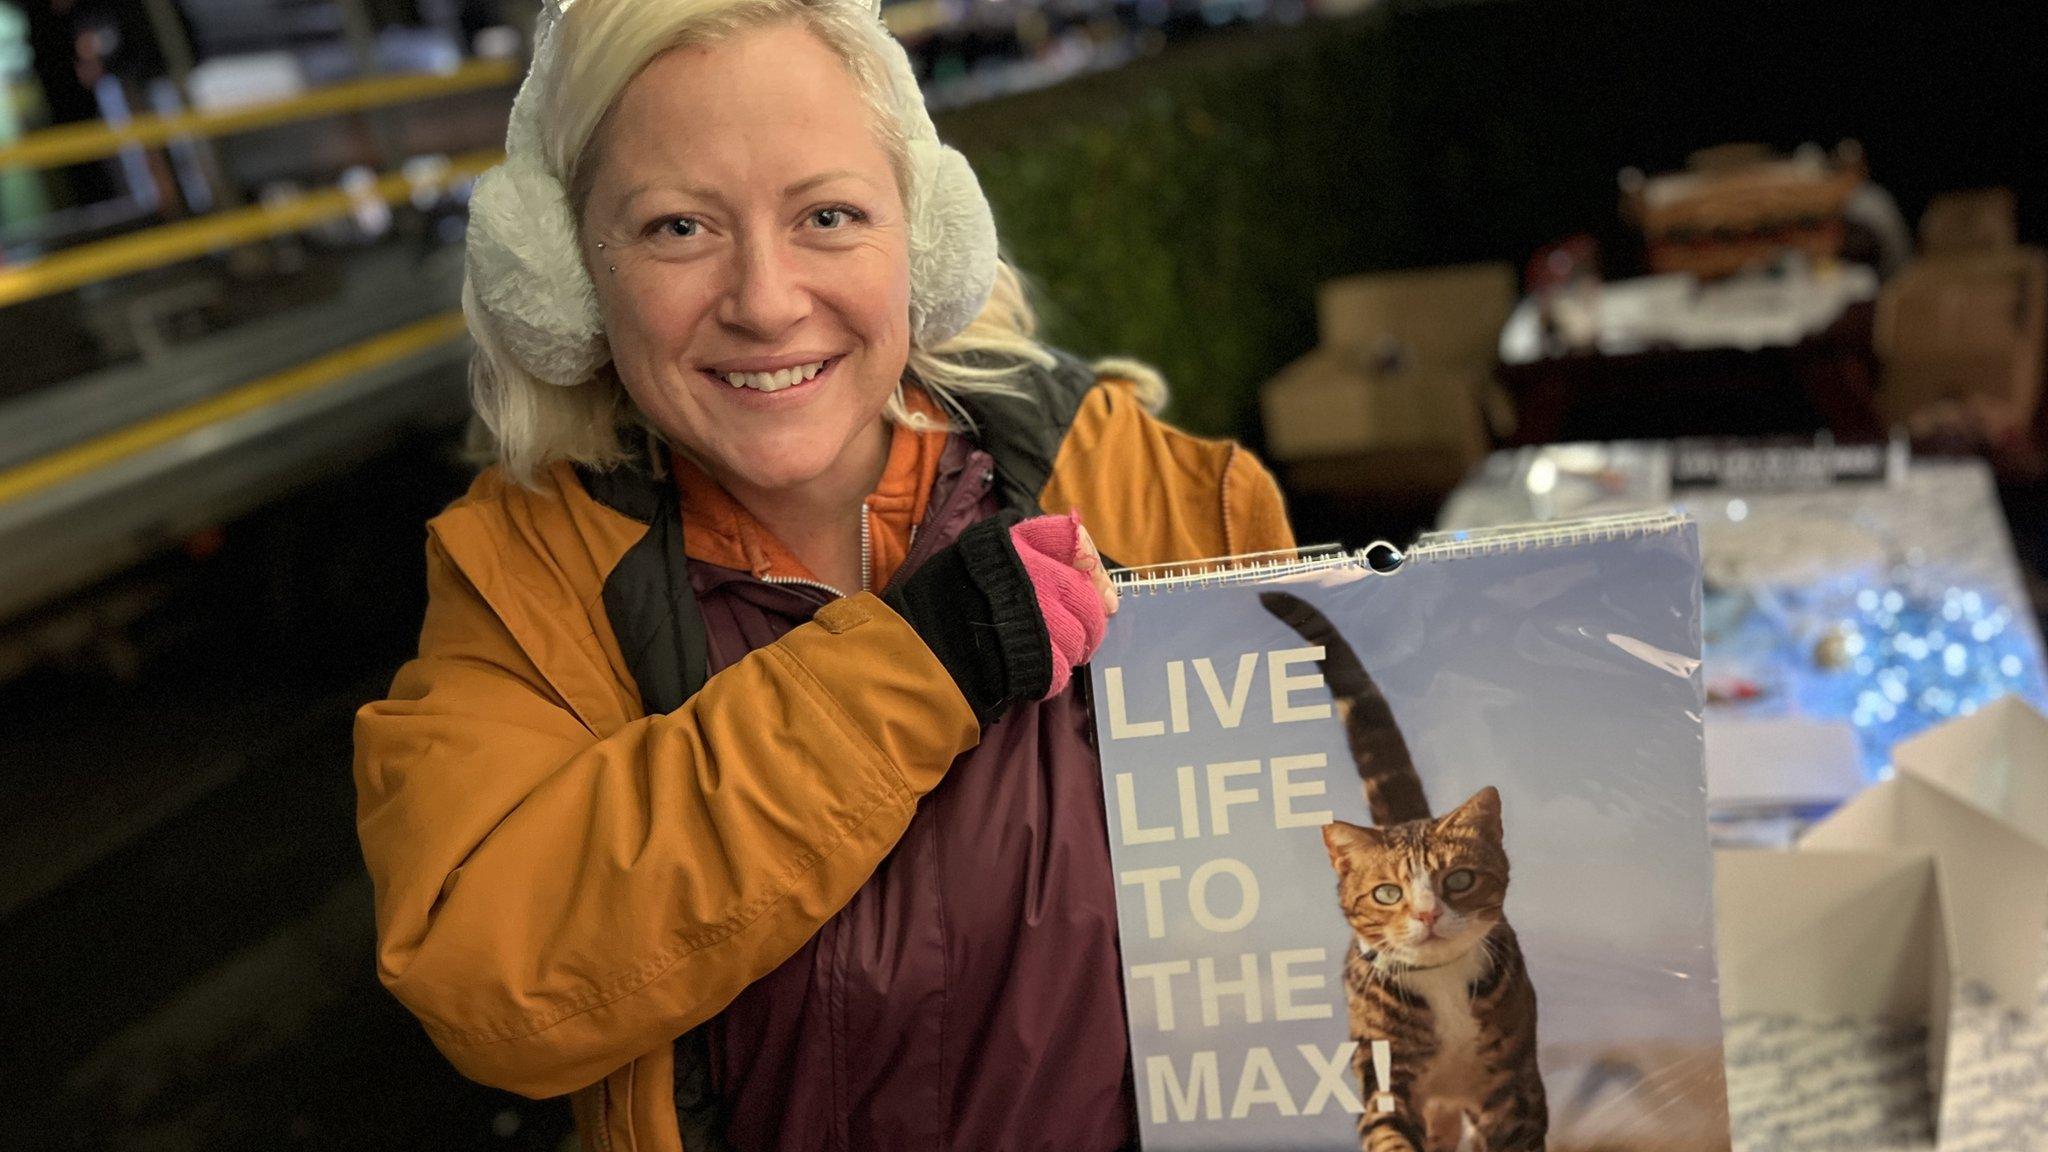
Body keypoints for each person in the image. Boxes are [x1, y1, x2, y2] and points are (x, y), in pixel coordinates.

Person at [351, 0, 1296, 1148]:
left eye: (829, 215)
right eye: (676, 229)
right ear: (560, 275)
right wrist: (913, 667)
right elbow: (491, 983)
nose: (763, 299)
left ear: (926, 234)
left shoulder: (1144, 491)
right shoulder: (525, 581)